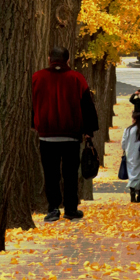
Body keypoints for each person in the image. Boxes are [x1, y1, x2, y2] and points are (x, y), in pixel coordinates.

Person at [32, 46, 99, 222]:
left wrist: (34, 124)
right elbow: (87, 106)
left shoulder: (37, 78)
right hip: (71, 134)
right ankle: (70, 208)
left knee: (51, 174)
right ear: (68, 60)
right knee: (70, 174)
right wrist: (88, 131)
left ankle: (53, 209)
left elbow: (31, 103)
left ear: (49, 59)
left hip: (46, 134)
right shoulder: (77, 78)